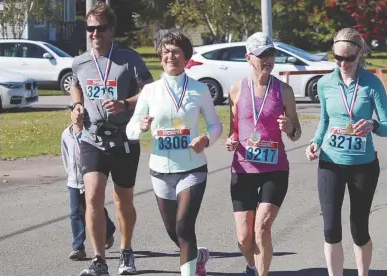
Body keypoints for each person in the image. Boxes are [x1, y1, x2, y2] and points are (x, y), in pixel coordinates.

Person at [126, 29, 222, 276]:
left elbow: (215, 124)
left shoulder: (199, 89)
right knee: (173, 231)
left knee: (183, 226)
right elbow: (130, 130)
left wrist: (206, 139)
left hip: (192, 168)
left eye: (176, 51)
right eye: (166, 51)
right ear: (160, 56)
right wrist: (141, 126)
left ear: (186, 57)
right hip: (160, 171)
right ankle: (198, 255)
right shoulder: (150, 91)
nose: (171, 56)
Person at [69, 2, 154, 275]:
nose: (94, 34)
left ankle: (126, 251)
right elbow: (75, 84)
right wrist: (77, 107)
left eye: (100, 29)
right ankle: (99, 260)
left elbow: (150, 92)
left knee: (122, 199)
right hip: (92, 138)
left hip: (124, 139)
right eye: (90, 29)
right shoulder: (80, 61)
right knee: (93, 196)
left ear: (111, 29)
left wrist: (126, 104)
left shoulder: (129, 59)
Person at [305, 27, 387, 276]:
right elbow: (324, 121)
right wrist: (315, 142)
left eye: (349, 58)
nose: (343, 63)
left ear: (360, 54)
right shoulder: (325, 84)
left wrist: (372, 124)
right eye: (337, 58)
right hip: (330, 163)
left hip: (363, 166)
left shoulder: (372, 83)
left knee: (359, 228)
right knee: (331, 227)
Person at [224, 32, 302, 276]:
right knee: (244, 238)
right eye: (261, 55)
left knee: (263, 226)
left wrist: (289, 127)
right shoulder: (236, 90)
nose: (267, 60)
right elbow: (233, 131)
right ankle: (251, 265)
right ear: (249, 58)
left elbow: (297, 132)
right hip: (243, 169)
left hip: (275, 169)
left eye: (271, 54)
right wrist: (231, 141)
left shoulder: (284, 91)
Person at [62, 106, 116, 261]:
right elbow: (65, 155)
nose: (79, 117)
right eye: (75, 113)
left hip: (89, 179)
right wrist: (71, 175)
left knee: (94, 208)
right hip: (74, 181)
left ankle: (108, 230)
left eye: (82, 114)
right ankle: (78, 247)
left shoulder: (90, 135)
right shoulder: (66, 134)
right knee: (76, 214)